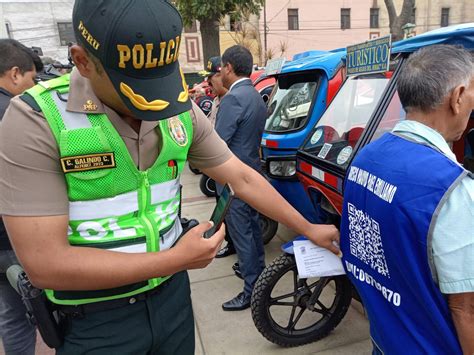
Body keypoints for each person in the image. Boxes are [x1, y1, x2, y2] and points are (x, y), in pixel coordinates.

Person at [0, 1, 339, 353]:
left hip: (172, 302)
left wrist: (307, 227)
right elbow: (46, 264)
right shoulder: (38, 119)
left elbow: (242, 176)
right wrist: (176, 259)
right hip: (95, 320)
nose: (151, 105)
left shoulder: (175, 106)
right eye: (132, 85)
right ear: (82, 60)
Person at [341, 45, 473, 354]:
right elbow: (466, 309)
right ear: (456, 97)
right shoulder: (453, 190)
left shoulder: (365, 158)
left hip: (384, 339)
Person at [214, 45, 267, 311]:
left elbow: (217, 144)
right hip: (251, 175)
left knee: (243, 233)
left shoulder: (234, 99)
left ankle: (251, 291)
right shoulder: (255, 96)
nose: (219, 72)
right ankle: (260, 280)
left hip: (235, 180)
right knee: (253, 230)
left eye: (221, 67)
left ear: (229, 68)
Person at [0, 38, 43, 355]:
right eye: (30, 80)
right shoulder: (14, 115)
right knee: (45, 311)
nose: (32, 89)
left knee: (12, 317)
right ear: (15, 74)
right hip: (15, 236)